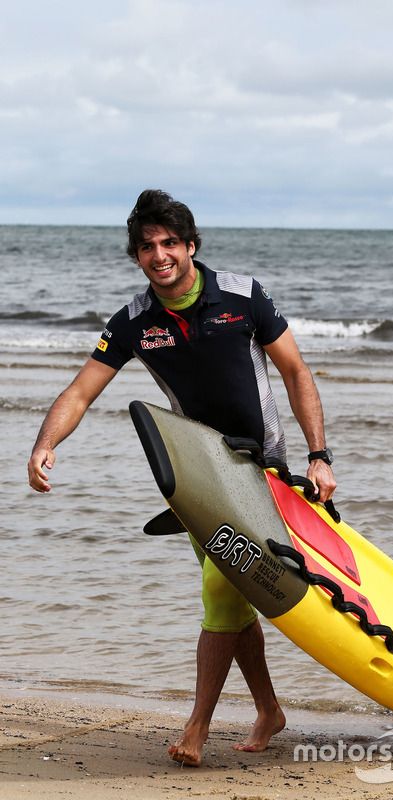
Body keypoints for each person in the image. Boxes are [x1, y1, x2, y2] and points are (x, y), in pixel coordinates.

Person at [28, 189, 336, 766]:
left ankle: (196, 727)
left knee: (222, 592)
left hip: (260, 472)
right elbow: (80, 391)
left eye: (170, 242)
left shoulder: (244, 296)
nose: (160, 254)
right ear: (137, 257)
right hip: (199, 481)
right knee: (235, 598)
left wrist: (320, 455)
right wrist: (45, 446)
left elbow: (295, 371)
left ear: (191, 245)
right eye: (147, 247)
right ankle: (269, 710)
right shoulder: (134, 322)